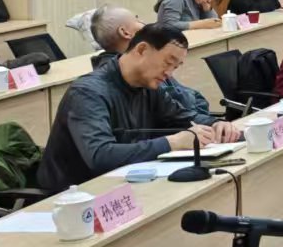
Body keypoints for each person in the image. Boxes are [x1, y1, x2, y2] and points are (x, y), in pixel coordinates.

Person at [37, 24, 238, 190]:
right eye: (168, 63)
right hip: (77, 193)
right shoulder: (88, 93)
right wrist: (172, 143)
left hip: (128, 181)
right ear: (142, 50)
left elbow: (181, 117)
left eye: (175, 67)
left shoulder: (149, 85)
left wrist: (216, 124)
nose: (169, 73)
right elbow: (100, 156)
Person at [90, 4, 213, 121]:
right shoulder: (139, 74)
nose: (143, 22)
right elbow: (185, 106)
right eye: (137, 19)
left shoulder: (152, 63)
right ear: (125, 32)